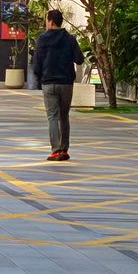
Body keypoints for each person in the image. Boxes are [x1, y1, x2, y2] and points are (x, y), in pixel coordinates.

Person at [32, 9, 84, 161]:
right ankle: (64, 150)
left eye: (46, 20)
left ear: (51, 22)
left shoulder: (42, 39)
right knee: (64, 116)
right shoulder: (70, 39)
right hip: (66, 83)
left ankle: (56, 151)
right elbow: (79, 59)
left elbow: (37, 64)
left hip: (49, 83)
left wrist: (39, 79)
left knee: (52, 117)